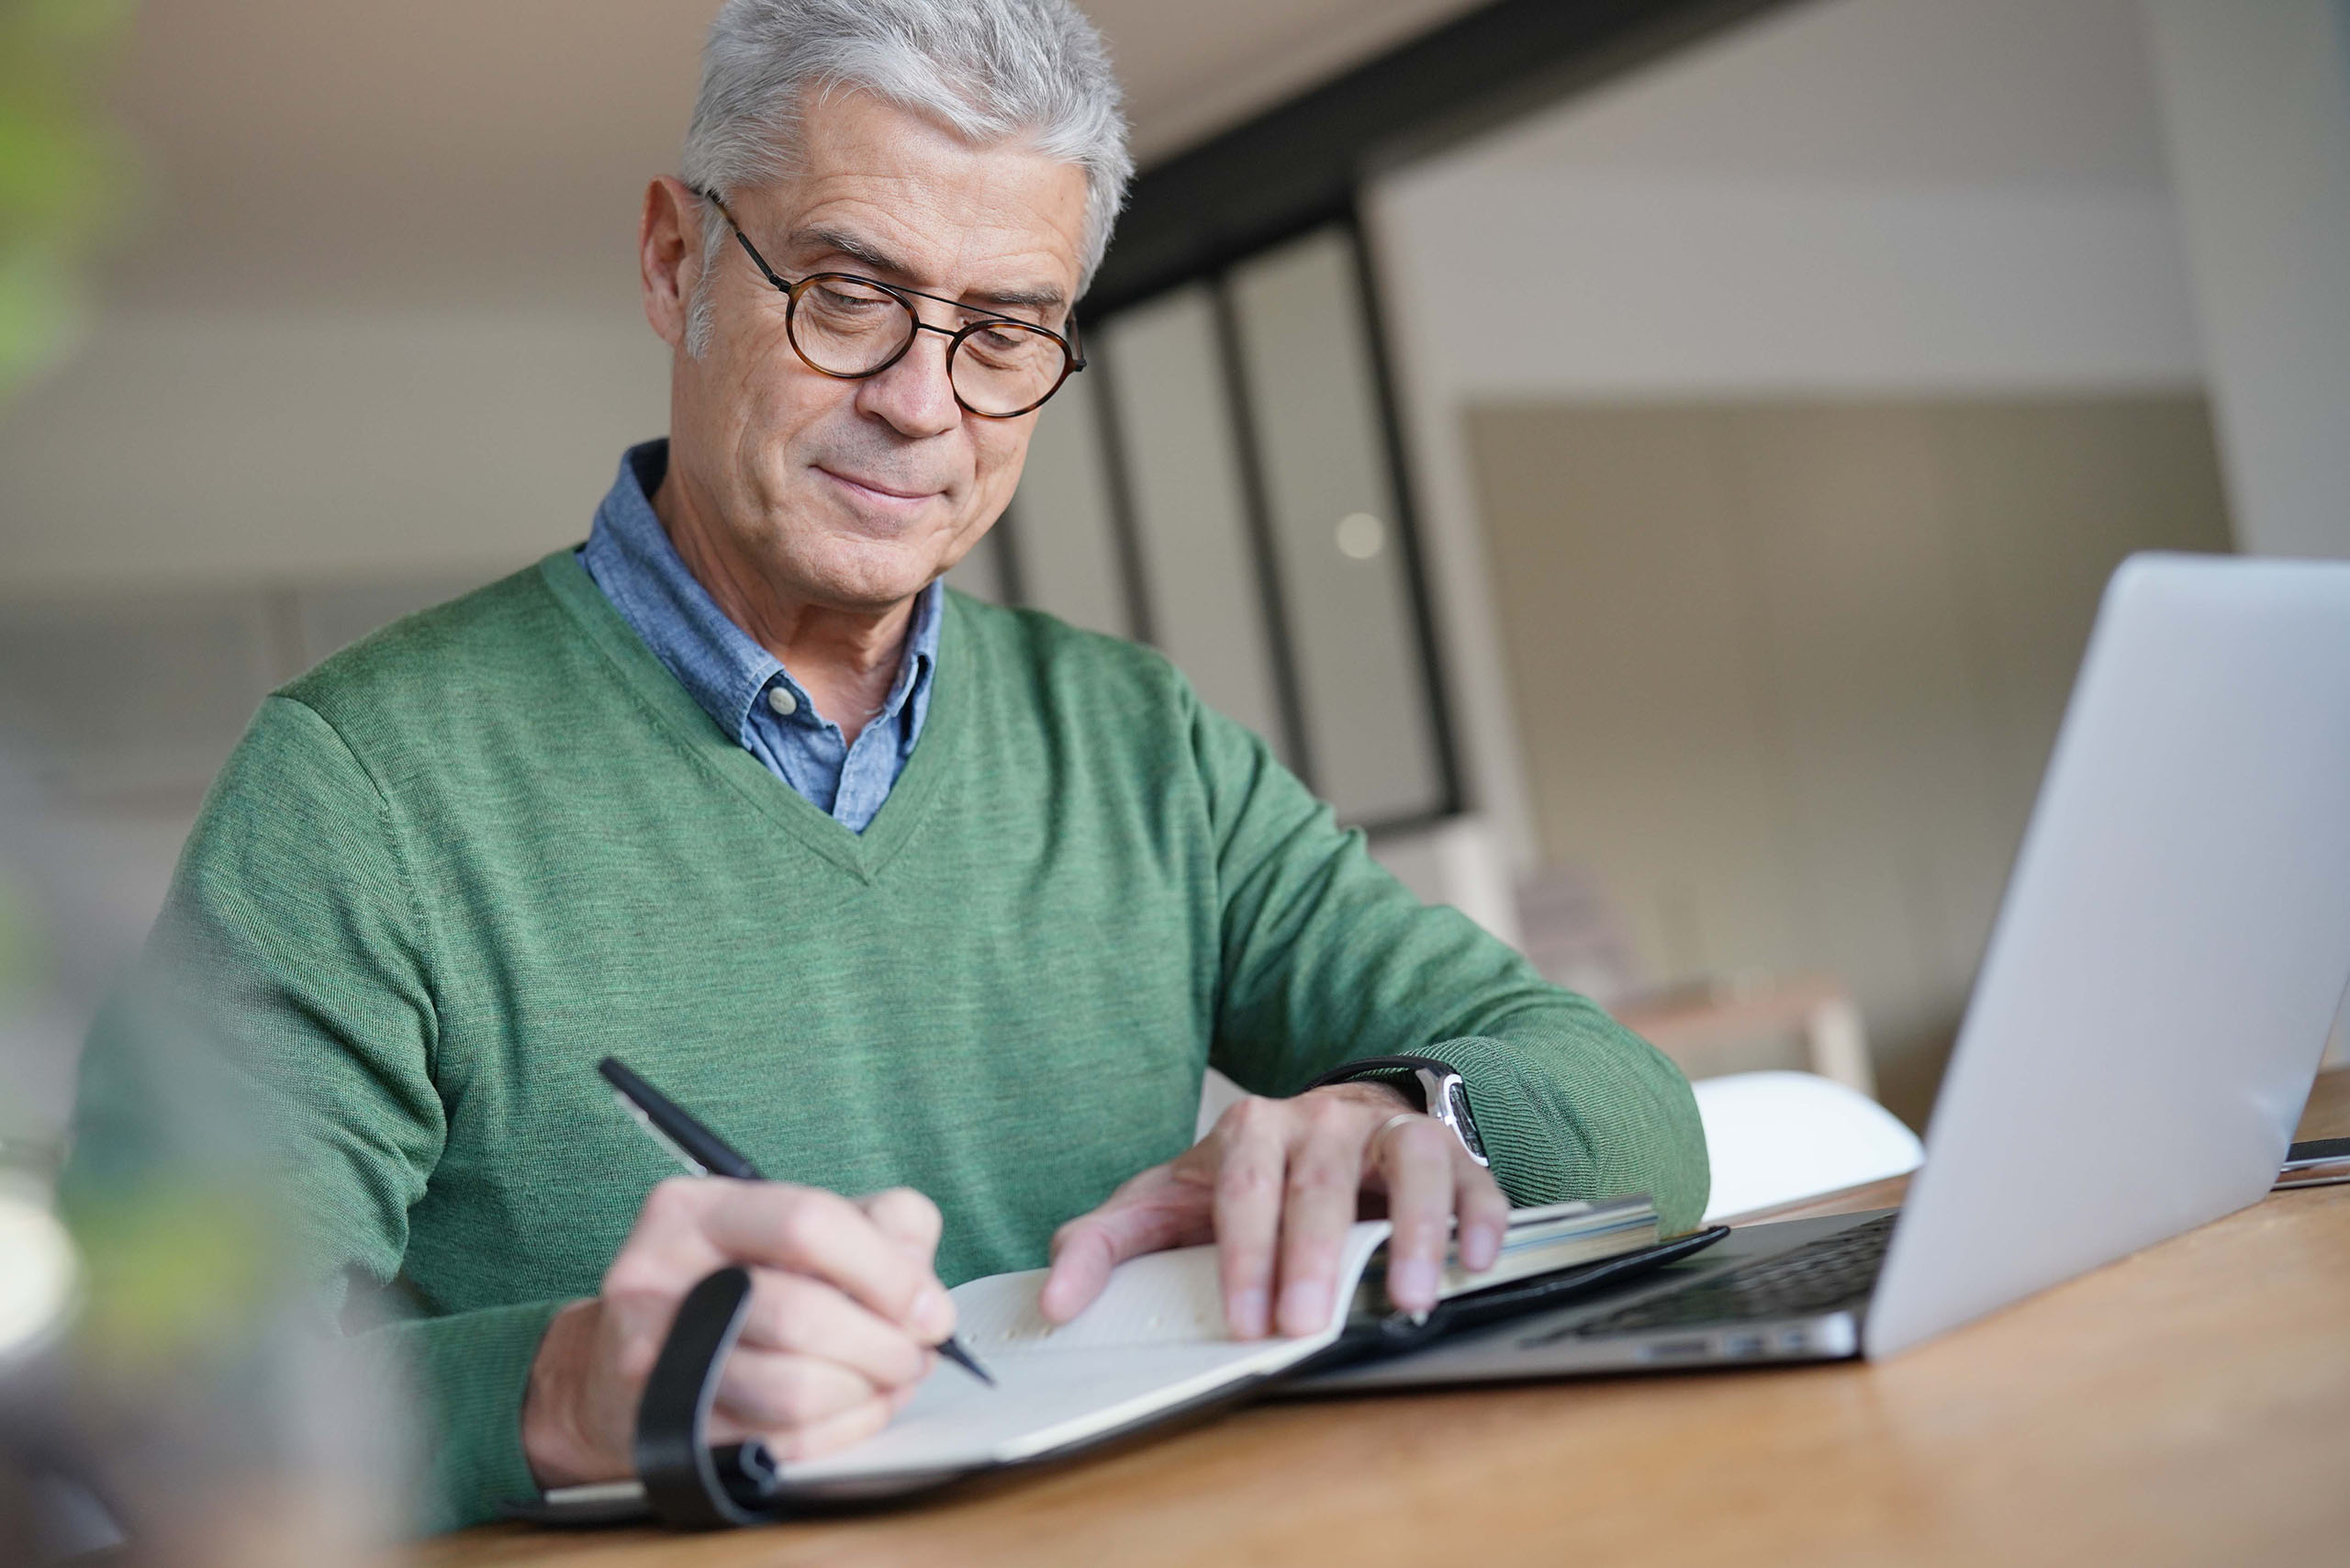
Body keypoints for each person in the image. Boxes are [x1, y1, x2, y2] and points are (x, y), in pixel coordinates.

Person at [69, 0, 1707, 1531]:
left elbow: (1630, 1112)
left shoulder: (1142, 748)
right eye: (849, 293)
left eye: (1005, 331)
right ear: (673, 260)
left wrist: (1401, 1111)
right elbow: (155, 1403)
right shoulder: (358, 788)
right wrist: (567, 1387)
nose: (923, 404)